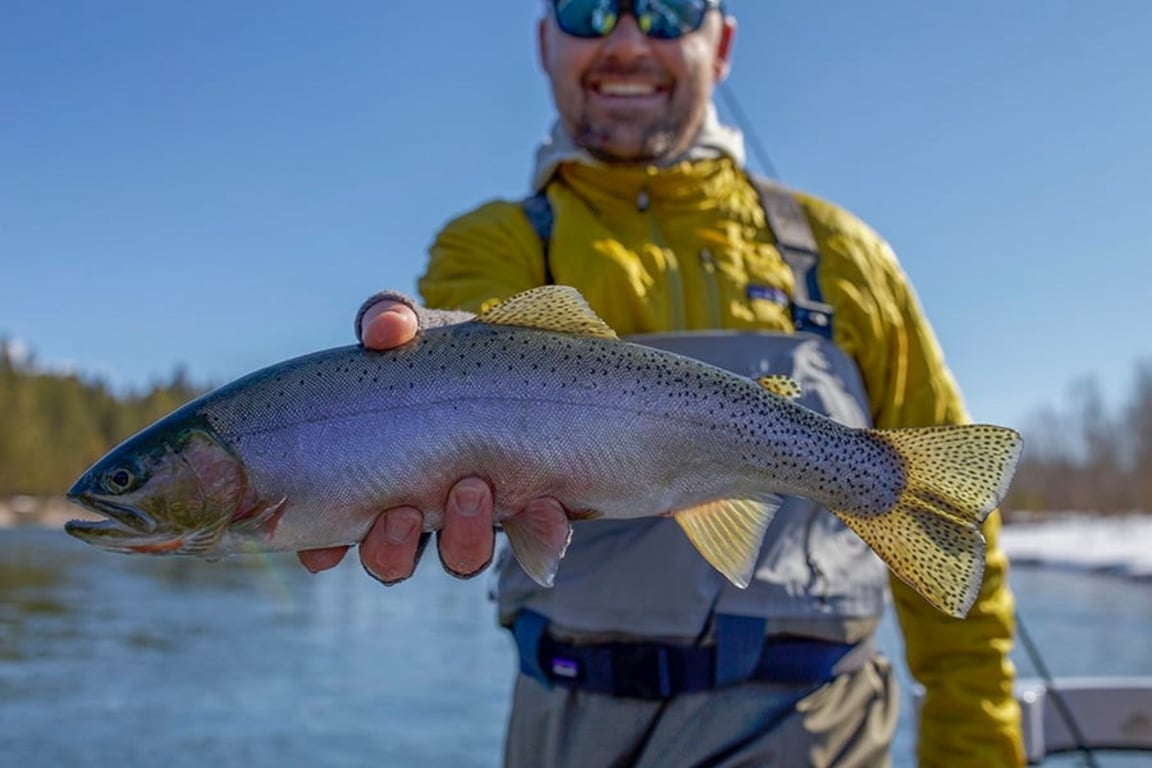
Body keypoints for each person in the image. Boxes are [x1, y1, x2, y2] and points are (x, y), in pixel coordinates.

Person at [298, 2, 1024, 765]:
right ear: (546, 42)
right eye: (587, 10)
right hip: (572, 727)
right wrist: (405, 390)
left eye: (667, 11)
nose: (625, 41)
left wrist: (977, 749)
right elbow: (467, 364)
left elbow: (956, 531)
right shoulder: (494, 243)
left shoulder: (846, 255)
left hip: (817, 735)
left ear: (725, 43)